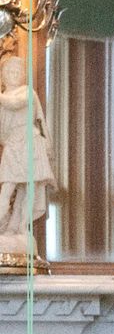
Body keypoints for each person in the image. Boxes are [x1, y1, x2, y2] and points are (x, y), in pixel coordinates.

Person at [0, 55, 55, 244]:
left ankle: (20, 226)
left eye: (17, 72)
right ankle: (4, 226)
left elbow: (14, 103)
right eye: (9, 72)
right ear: (3, 76)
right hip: (13, 145)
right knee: (7, 187)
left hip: (30, 143)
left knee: (29, 189)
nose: (14, 75)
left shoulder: (27, 92)